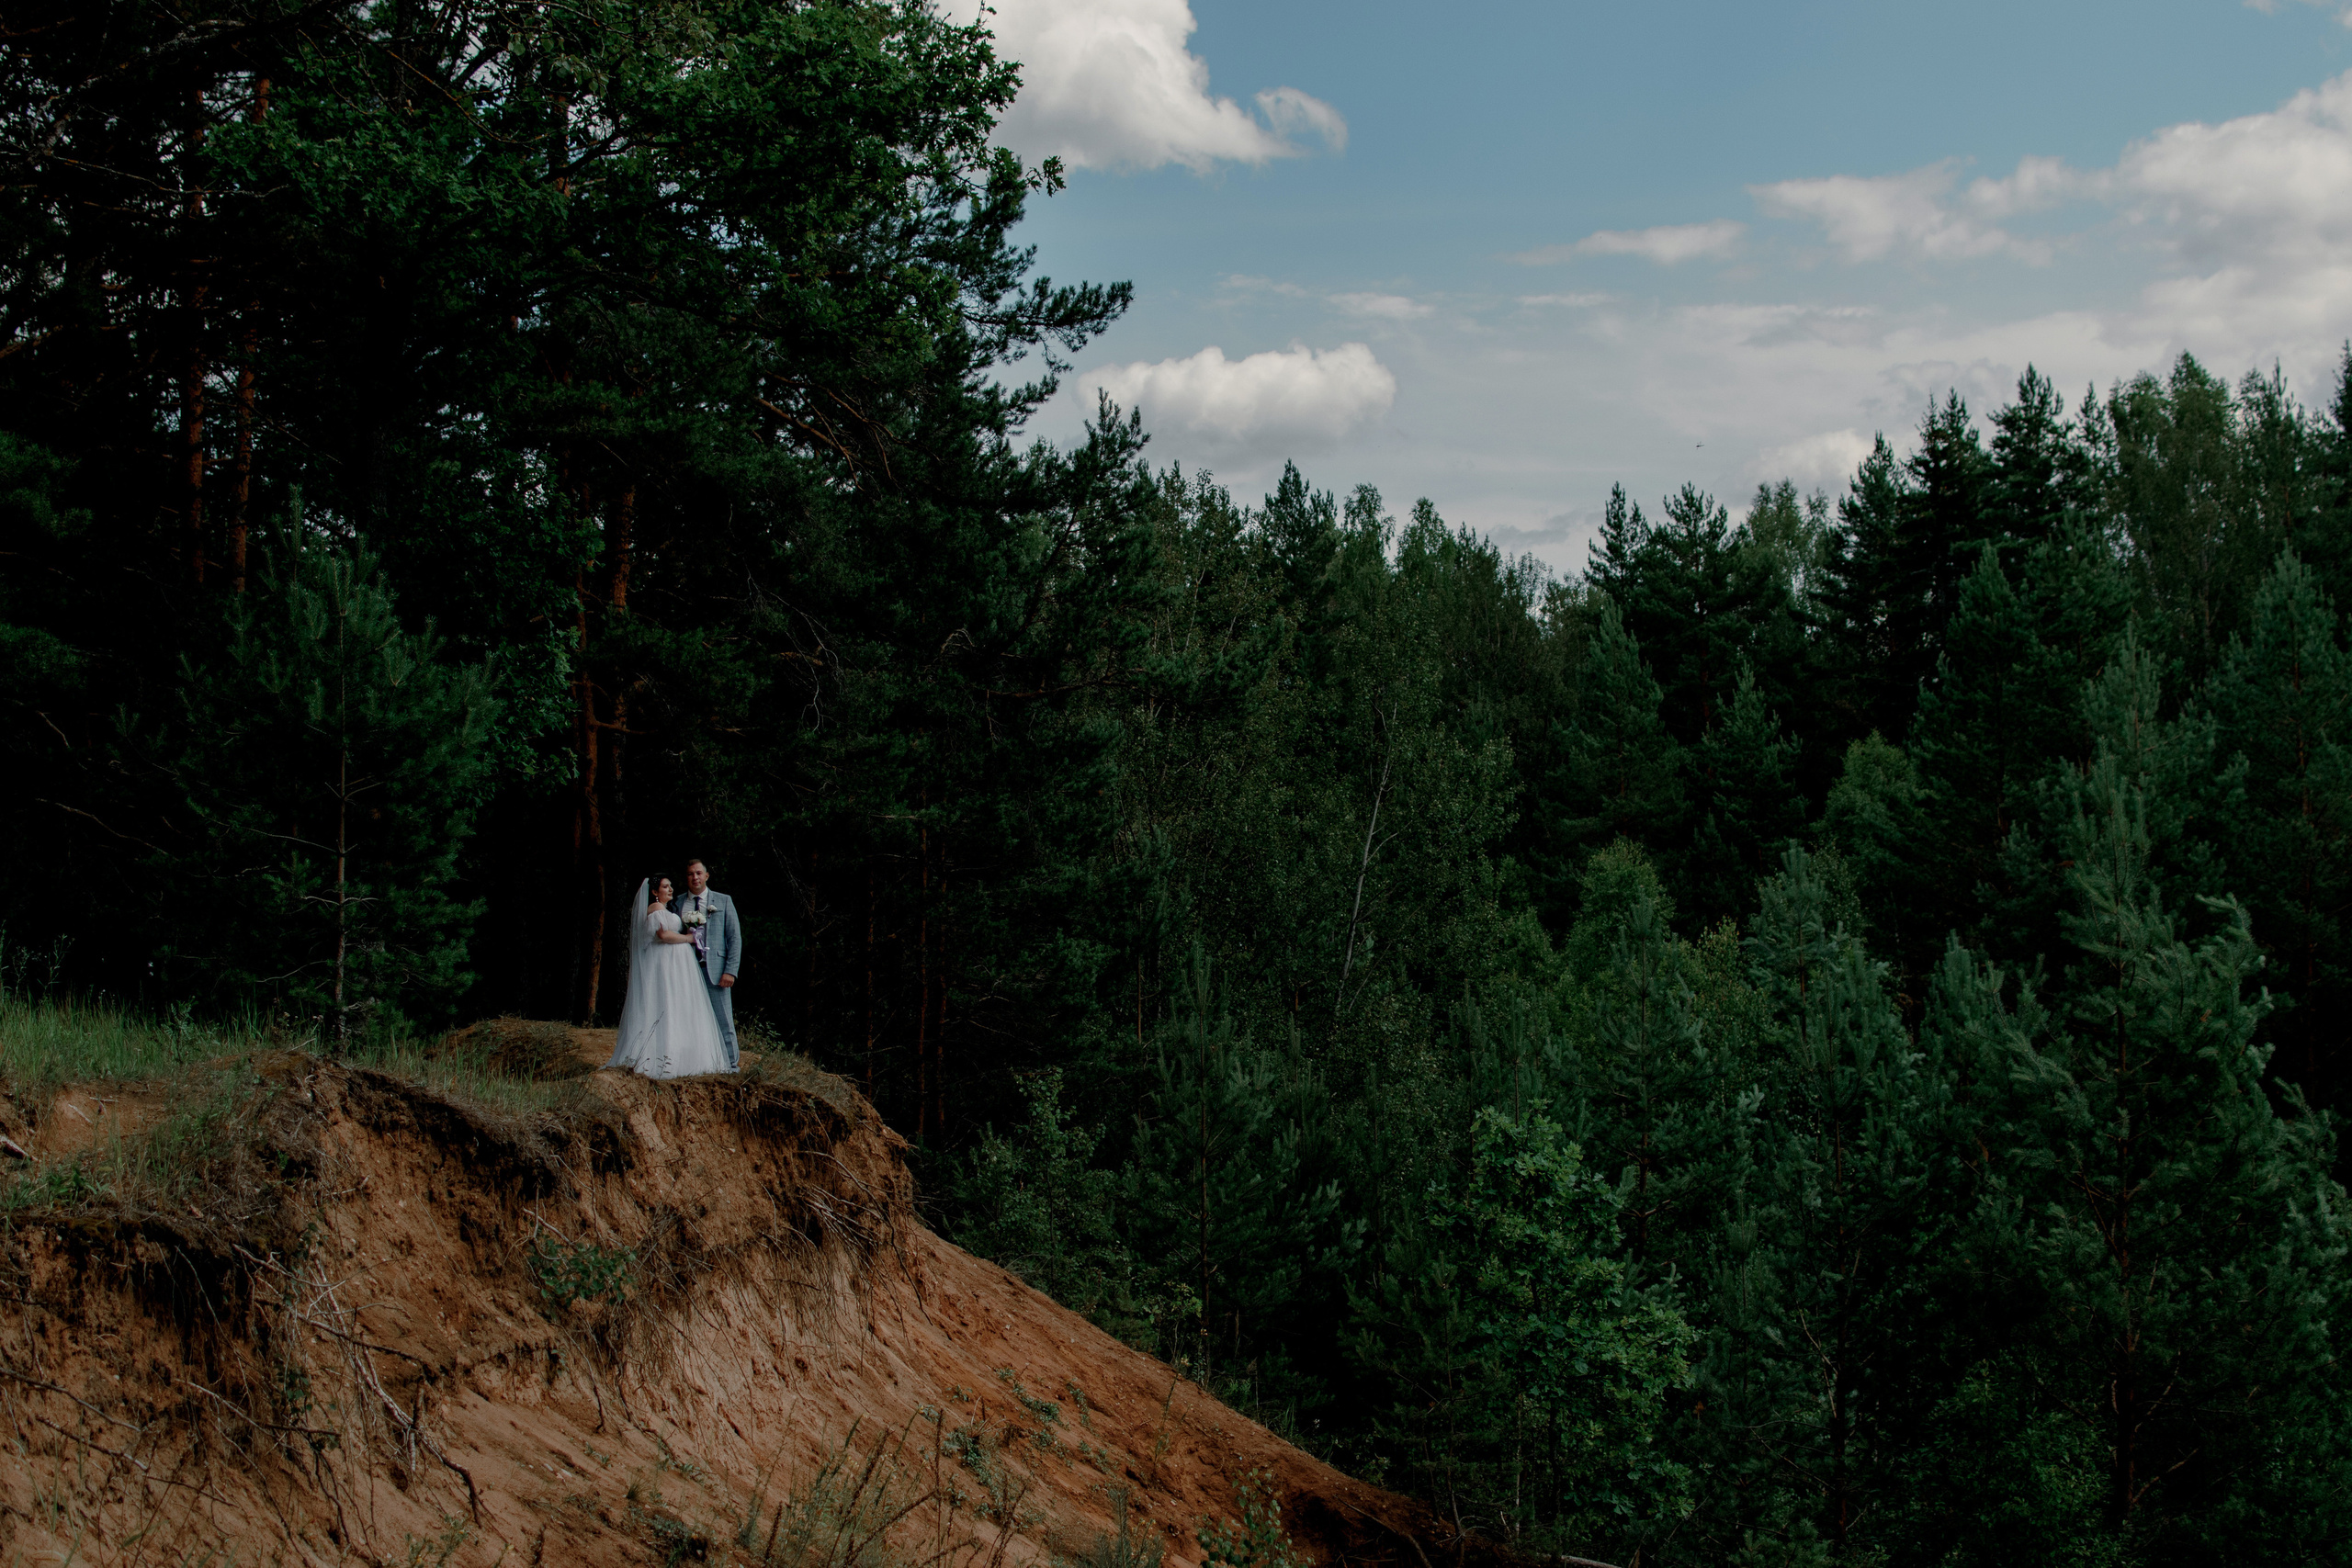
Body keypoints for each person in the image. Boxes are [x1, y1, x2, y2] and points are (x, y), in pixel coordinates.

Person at [605, 874, 731, 1078]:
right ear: (655, 892)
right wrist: (689, 938)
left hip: (675, 963)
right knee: (667, 1002)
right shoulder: (655, 910)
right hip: (665, 963)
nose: (671, 889)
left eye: (671, 886)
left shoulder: (664, 910)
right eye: (665, 887)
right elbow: (663, 936)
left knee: (676, 1004)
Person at [677, 858, 742, 1070]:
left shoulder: (723, 901)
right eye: (690, 874)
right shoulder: (677, 903)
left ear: (706, 876)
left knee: (724, 1021)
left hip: (714, 970)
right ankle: (695, 1064)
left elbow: (735, 938)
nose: (694, 877)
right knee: (689, 1019)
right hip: (686, 971)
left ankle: (732, 1065)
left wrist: (730, 971)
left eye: (698, 873)